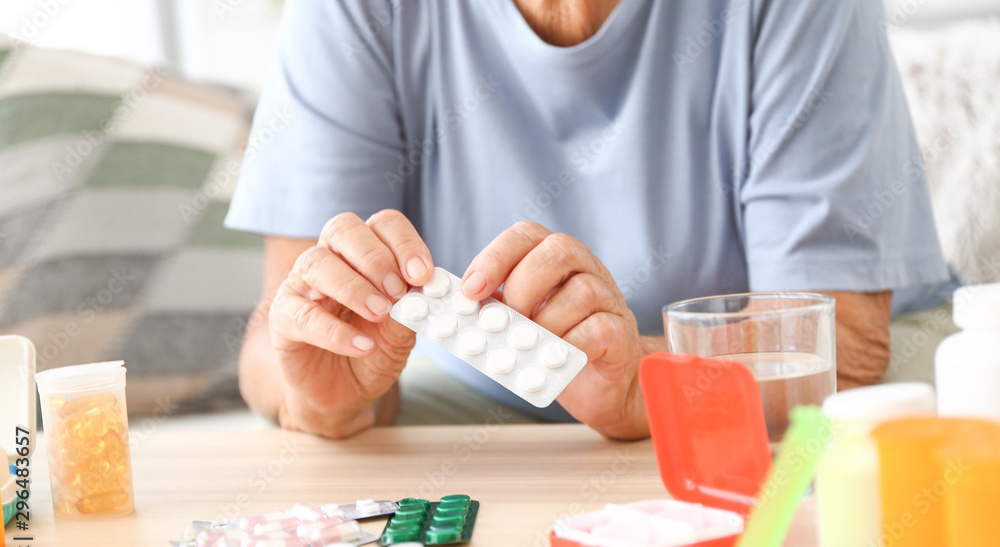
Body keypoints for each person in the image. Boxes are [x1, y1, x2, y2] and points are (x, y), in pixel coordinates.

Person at [225, 0, 949, 441]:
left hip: (751, 397)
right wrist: (326, 397)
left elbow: (837, 353)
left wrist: (649, 386)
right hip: (489, 396)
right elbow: (281, 332)